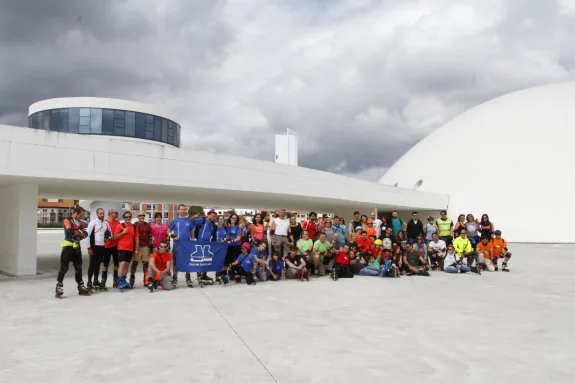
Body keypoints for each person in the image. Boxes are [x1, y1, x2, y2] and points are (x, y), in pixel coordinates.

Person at [55, 206, 90, 297]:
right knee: (64, 267)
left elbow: (85, 234)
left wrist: (78, 234)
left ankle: (81, 286)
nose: (82, 217)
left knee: (79, 268)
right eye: (81, 215)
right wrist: (78, 233)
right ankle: (59, 286)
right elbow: (70, 232)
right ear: (76, 213)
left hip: (77, 248)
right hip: (68, 247)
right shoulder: (67, 220)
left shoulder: (81, 223)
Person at [86, 208, 111, 291]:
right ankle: (89, 282)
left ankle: (95, 280)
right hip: (94, 246)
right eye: (100, 213)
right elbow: (87, 235)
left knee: (98, 264)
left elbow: (110, 234)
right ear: (97, 214)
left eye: (103, 213)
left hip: (102, 246)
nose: (102, 215)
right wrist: (89, 247)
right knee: (92, 265)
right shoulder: (93, 223)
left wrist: (108, 238)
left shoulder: (106, 223)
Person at [169, 204, 194, 287]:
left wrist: (193, 240)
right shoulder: (175, 220)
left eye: (184, 209)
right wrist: (173, 236)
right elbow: (168, 231)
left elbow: (192, 232)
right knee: (176, 263)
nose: (183, 211)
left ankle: (188, 279)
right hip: (177, 245)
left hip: (187, 246)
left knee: (188, 262)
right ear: (178, 210)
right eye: (181, 209)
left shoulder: (189, 221)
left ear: (186, 211)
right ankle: (175, 279)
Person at [113, 211, 136, 290]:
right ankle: (119, 281)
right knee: (122, 264)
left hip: (130, 248)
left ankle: (123, 280)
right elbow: (115, 237)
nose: (128, 218)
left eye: (129, 217)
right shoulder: (120, 226)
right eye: (126, 217)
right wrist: (123, 232)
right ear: (124, 218)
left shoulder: (133, 227)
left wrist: (136, 249)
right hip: (122, 248)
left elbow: (136, 238)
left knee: (126, 265)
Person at [130, 212, 153, 288]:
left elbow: (150, 236)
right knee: (134, 264)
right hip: (137, 247)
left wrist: (149, 247)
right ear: (137, 216)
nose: (142, 217)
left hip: (145, 247)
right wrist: (134, 248)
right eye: (140, 215)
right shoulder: (134, 225)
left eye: (143, 215)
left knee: (145, 265)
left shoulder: (147, 225)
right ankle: (132, 280)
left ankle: (145, 280)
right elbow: (132, 236)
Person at [102, 208, 121, 288]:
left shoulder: (118, 222)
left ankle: (115, 280)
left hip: (116, 246)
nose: (117, 214)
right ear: (110, 214)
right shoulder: (105, 223)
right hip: (107, 246)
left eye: (117, 213)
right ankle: (103, 280)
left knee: (116, 264)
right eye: (115, 213)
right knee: (105, 264)